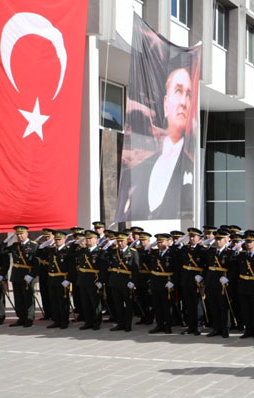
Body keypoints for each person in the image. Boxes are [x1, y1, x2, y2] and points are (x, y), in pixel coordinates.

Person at [116, 65, 195, 221]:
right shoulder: (140, 169)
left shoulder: (191, 165)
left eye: (189, 95)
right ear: (166, 104)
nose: (184, 102)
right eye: (178, 91)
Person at [3, 226, 39, 327]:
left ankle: (29, 317)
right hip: (16, 275)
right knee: (18, 298)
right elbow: (2, 250)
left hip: (27, 275)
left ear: (27, 234)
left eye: (21, 234)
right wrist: (6, 241)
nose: (19, 236)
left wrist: (32, 275)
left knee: (28, 297)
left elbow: (37, 263)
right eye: (17, 234)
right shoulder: (15, 245)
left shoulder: (33, 246)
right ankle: (21, 317)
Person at [106, 232, 140, 332]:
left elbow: (135, 268)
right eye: (118, 241)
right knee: (118, 304)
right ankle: (120, 323)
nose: (120, 243)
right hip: (115, 282)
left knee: (128, 304)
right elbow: (104, 256)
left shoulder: (133, 252)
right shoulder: (113, 251)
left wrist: (133, 282)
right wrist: (108, 244)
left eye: (122, 241)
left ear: (127, 240)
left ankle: (128, 324)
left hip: (126, 282)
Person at [204, 230, 234, 338]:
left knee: (223, 307)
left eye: (220, 239)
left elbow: (233, 269)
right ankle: (216, 328)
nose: (217, 241)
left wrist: (228, 278)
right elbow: (206, 266)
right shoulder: (211, 252)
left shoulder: (229, 252)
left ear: (225, 240)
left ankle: (224, 328)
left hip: (222, 284)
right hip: (211, 282)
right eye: (216, 239)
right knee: (213, 306)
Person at [43, 231, 74, 329]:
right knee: (54, 301)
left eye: (59, 239)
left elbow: (71, 268)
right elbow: (39, 254)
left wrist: (68, 280)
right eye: (56, 239)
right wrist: (44, 244)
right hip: (52, 279)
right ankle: (56, 320)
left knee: (63, 301)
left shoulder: (68, 251)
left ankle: (64, 321)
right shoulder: (52, 250)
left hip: (62, 279)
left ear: (64, 239)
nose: (57, 241)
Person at [75, 230, 105, 330]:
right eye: (86, 238)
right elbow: (70, 254)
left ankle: (97, 322)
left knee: (95, 303)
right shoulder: (83, 251)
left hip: (94, 281)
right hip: (83, 280)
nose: (87, 240)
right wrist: (78, 241)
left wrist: (101, 281)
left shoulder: (100, 251)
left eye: (90, 238)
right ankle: (88, 322)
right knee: (85, 303)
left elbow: (103, 268)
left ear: (96, 240)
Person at [178, 228, 206, 335]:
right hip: (186, 280)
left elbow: (207, 265)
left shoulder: (203, 250)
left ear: (199, 238)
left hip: (196, 281)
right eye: (190, 236)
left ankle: (199, 325)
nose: (192, 238)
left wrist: (201, 277)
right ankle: (191, 325)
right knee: (188, 304)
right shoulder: (185, 249)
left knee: (197, 304)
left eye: (194, 236)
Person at [149, 233, 178, 334]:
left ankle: (168, 325)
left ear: (167, 242)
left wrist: (173, 282)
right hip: (156, 282)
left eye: (161, 242)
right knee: (157, 305)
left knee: (166, 306)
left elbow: (176, 270)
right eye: (158, 242)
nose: (159, 244)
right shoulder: (154, 253)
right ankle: (159, 325)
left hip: (166, 282)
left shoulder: (172, 253)